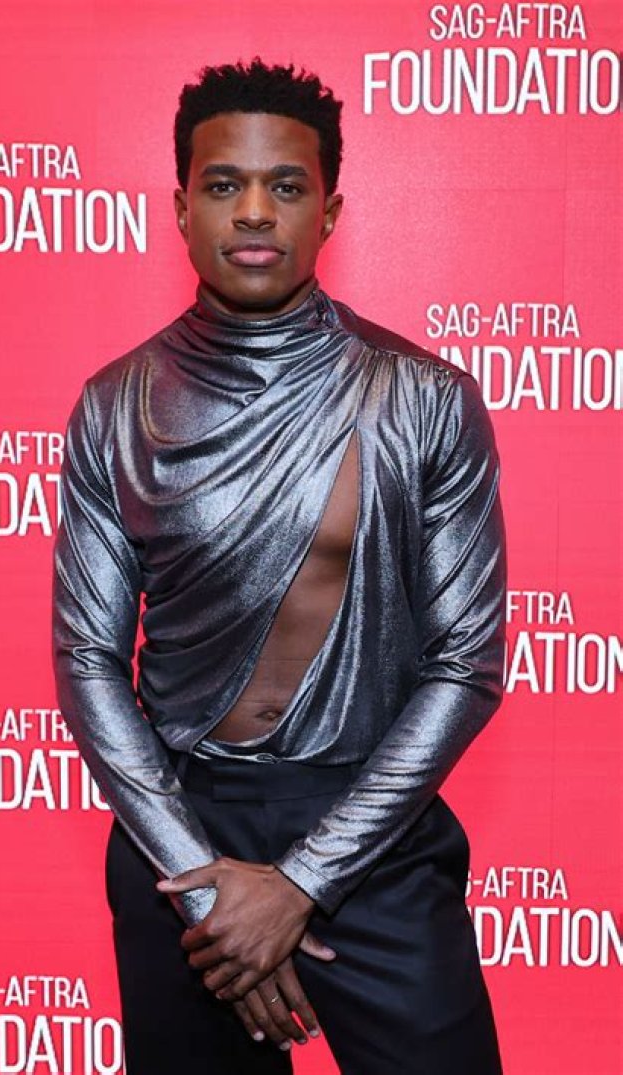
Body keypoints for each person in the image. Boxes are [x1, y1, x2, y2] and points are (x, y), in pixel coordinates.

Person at [52, 57, 507, 1075]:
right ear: (181, 208)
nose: (254, 210)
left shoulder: (425, 397)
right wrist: (207, 886)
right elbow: (88, 657)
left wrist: (302, 880)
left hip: (373, 835)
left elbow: (468, 663)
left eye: (286, 185)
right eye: (224, 184)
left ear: (330, 211)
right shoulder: (115, 406)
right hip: (178, 833)